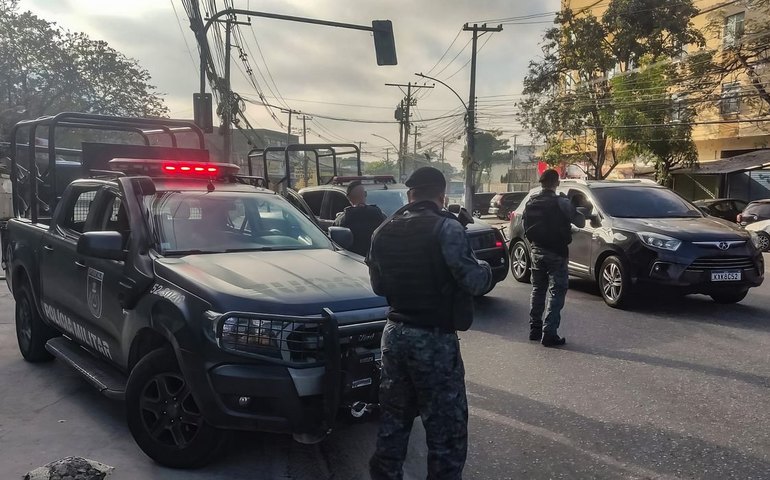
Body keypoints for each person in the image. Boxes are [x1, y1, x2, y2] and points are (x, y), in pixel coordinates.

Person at [366, 166, 492, 480]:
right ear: (441, 195)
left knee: (394, 421)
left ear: (409, 194)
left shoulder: (383, 230)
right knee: (446, 431)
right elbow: (475, 282)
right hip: (433, 340)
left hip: (394, 336)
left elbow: (379, 287)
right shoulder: (447, 229)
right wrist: (485, 266)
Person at [522, 169, 585, 347]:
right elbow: (580, 222)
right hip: (556, 252)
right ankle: (549, 333)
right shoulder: (561, 202)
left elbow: (525, 225)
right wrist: (573, 206)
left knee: (537, 289)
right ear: (556, 182)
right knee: (557, 291)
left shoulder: (531, 202)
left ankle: (534, 329)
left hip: (537, 250)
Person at [333, 180, 387, 256]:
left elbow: (334, 236)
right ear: (365, 194)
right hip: (375, 259)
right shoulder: (379, 214)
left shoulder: (343, 218)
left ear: (348, 198)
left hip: (353, 260)